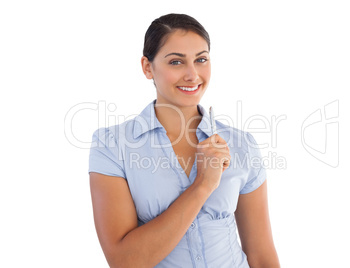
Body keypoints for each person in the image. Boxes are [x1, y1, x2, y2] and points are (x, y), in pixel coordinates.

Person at [88, 13, 280, 268]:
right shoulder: (113, 146)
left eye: (201, 59)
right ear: (147, 67)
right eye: (176, 62)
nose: (192, 75)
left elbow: (261, 255)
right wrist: (202, 185)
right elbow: (124, 261)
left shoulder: (241, 144)